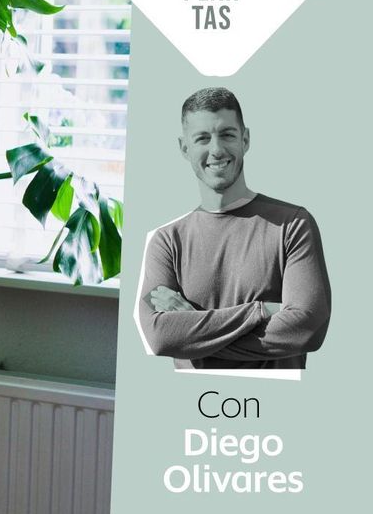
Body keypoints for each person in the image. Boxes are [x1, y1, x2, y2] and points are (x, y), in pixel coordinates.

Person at [136, 87, 331, 370]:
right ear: (184, 148)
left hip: (274, 407)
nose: (216, 150)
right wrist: (261, 311)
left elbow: (308, 330)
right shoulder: (166, 241)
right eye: (202, 138)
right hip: (189, 405)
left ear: (246, 139)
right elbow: (160, 338)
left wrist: (192, 328)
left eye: (227, 134)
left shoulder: (293, 224)